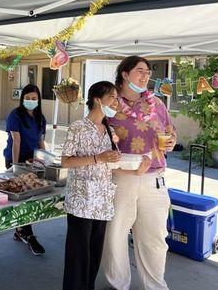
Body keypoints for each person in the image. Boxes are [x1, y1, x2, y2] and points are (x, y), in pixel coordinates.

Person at [102, 56, 177, 290]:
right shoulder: (110, 104)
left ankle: (155, 286)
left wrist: (172, 141)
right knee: (115, 236)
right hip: (120, 178)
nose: (146, 76)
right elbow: (98, 142)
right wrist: (128, 161)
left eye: (147, 72)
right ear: (125, 74)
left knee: (155, 239)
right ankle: (117, 285)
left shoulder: (157, 104)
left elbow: (170, 133)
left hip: (154, 178)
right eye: (140, 71)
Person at [61, 81, 121, 290]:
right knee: (78, 255)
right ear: (97, 99)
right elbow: (66, 161)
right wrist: (98, 157)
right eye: (112, 97)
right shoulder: (78, 127)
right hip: (81, 200)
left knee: (95, 253)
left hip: (102, 201)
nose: (116, 102)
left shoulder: (109, 129)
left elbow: (111, 161)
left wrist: (118, 159)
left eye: (116, 98)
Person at [3, 84, 46, 255]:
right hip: (16, 159)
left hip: (33, 161)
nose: (30, 101)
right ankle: (28, 234)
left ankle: (21, 230)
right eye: (27, 98)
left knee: (31, 197)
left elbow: (41, 141)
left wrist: (46, 160)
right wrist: (15, 166)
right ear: (22, 99)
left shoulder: (40, 118)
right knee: (22, 196)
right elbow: (16, 141)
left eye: (34, 98)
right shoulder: (15, 115)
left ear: (38, 99)